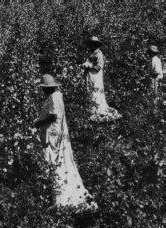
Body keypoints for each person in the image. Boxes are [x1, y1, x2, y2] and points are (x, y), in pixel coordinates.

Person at [32, 74, 96, 209]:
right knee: (60, 161)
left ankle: (60, 199)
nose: (42, 90)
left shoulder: (54, 97)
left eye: (43, 88)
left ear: (48, 88)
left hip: (54, 134)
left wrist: (38, 123)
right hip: (56, 133)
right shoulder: (56, 95)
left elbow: (53, 117)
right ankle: (59, 195)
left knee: (56, 162)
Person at [82, 36, 121, 122]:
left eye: (93, 44)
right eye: (91, 44)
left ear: (96, 45)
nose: (91, 46)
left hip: (96, 76)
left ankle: (97, 108)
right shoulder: (91, 53)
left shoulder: (99, 54)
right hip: (90, 76)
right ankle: (91, 108)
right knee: (90, 90)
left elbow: (99, 67)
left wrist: (90, 66)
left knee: (96, 91)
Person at [147, 45, 163, 112]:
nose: (149, 54)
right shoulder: (154, 59)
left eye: (150, 52)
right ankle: (154, 109)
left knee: (154, 94)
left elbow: (156, 71)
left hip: (155, 78)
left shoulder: (154, 59)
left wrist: (150, 74)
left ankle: (154, 110)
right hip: (155, 78)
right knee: (154, 94)